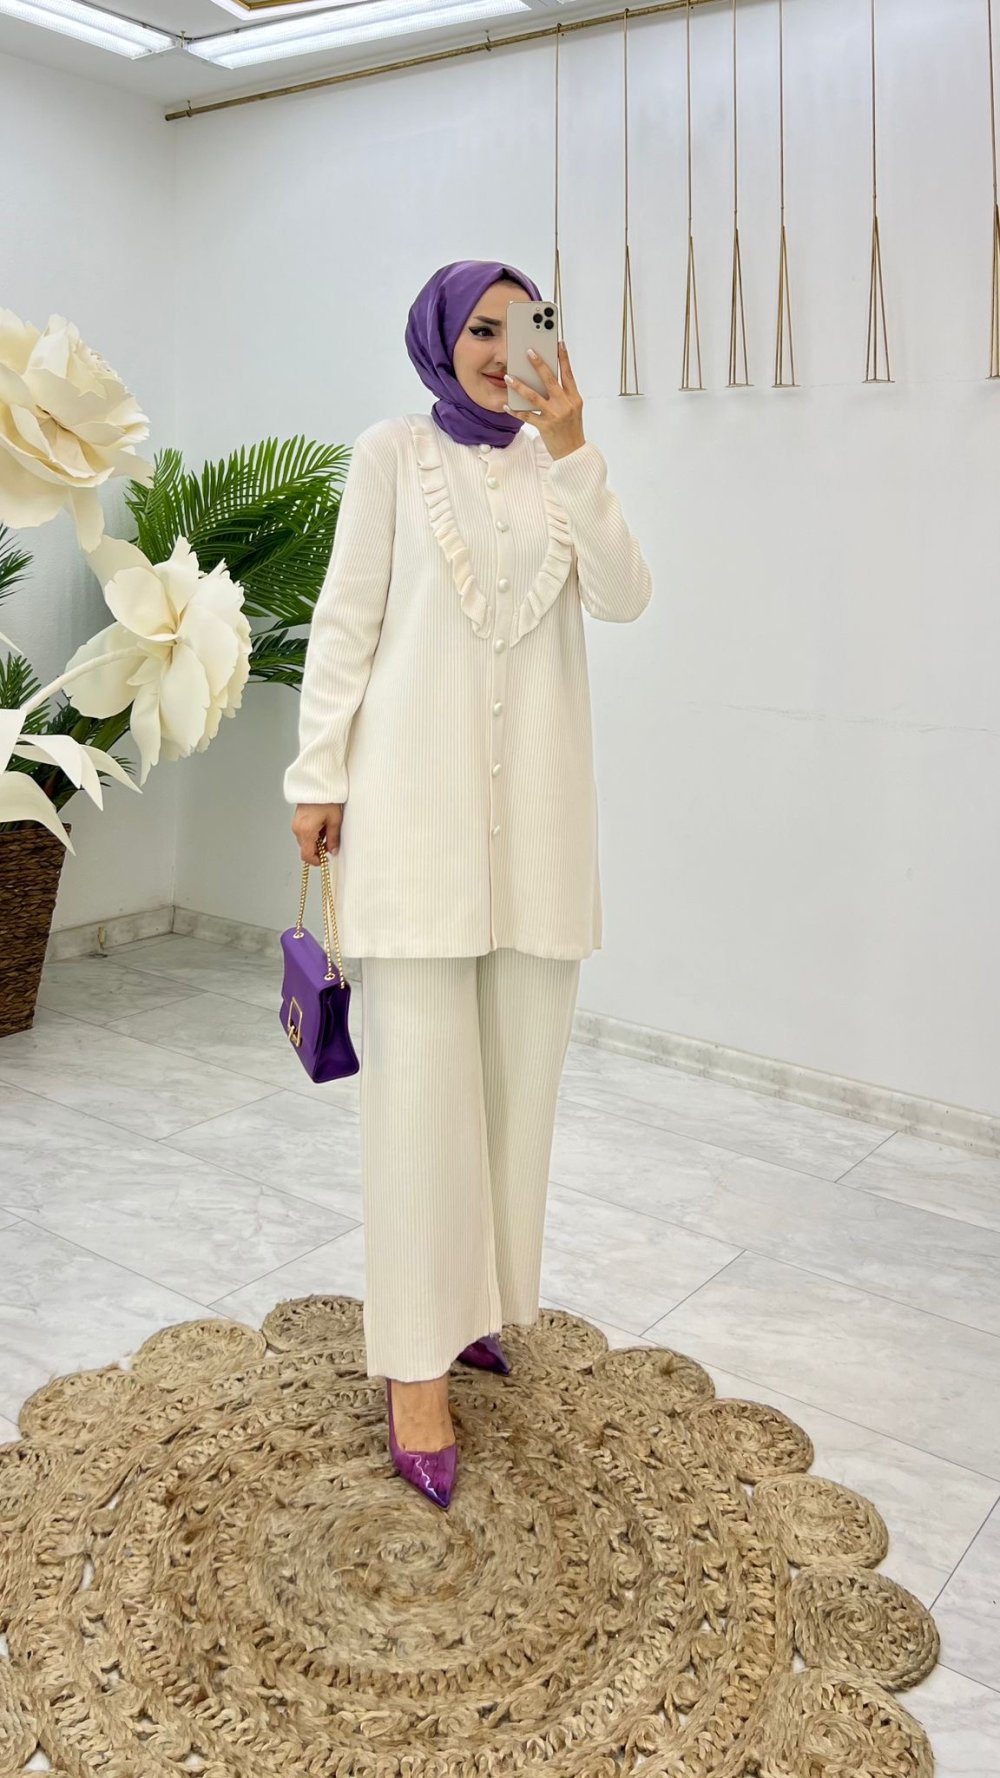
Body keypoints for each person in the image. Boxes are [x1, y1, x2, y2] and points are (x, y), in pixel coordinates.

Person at [285, 259, 652, 1508]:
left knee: (515, 1091)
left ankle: (475, 1304)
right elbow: (345, 622)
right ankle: (411, 1364)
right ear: (441, 338)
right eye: (481, 328)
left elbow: (626, 596)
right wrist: (315, 774)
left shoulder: (559, 468)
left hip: (537, 835)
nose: (502, 350)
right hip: (415, 822)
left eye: (524, 326)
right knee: (421, 1100)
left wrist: (577, 445)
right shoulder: (391, 455)